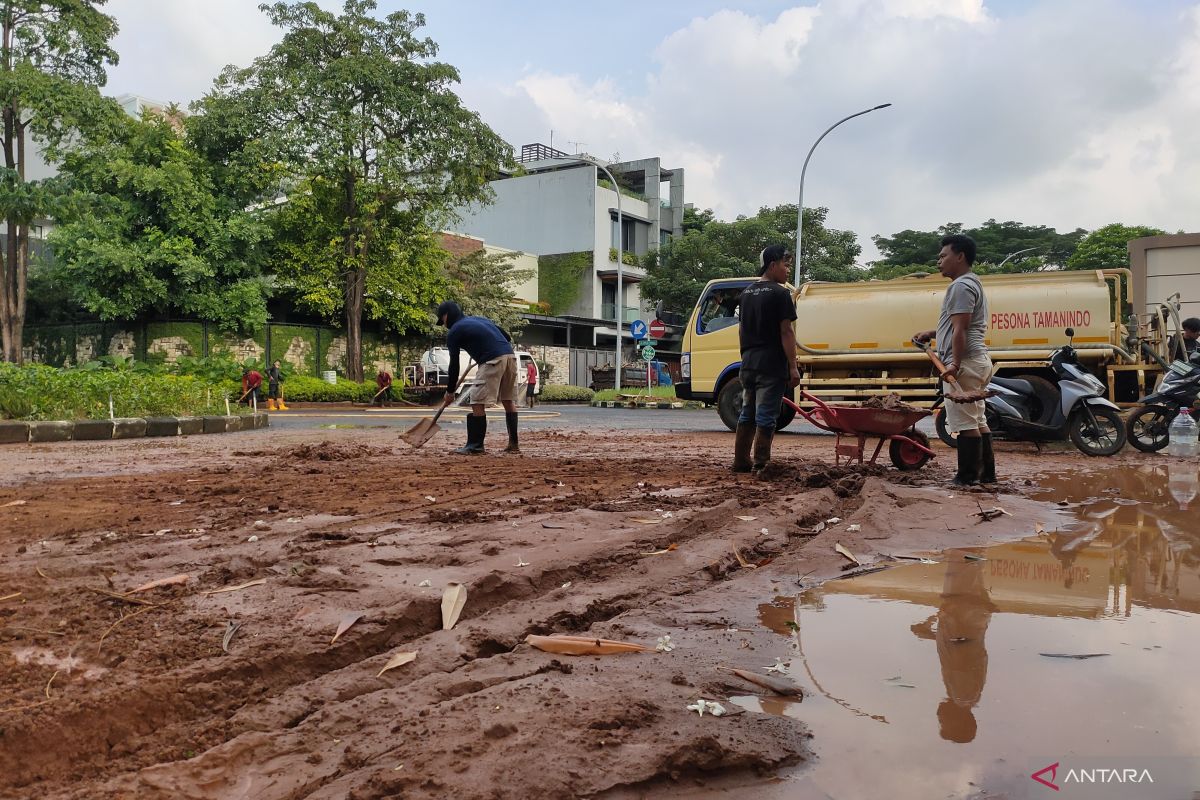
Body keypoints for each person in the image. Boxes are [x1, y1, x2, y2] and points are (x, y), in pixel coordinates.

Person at [915, 234, 993, 486]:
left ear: (960, 256)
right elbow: (958, 325)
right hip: (976, 360)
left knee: (965, 422)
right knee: (977, 420)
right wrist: (931, 333)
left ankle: (967, 477)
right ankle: (986, 475)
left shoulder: (960, 286)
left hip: (965, 363)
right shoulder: (972, 283)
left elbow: (961, 330)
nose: (939, 261)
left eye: (943, 255)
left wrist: (954, 365)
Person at [910, 559, 996, 744]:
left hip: (966, 608)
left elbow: (963, 648)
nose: (940, 720)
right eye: (944, 725)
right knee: (964, 556)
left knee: (968, 558)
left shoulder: (968, 695)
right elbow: (962, 648)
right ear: (957, 721)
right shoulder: (962, 694)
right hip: (963, 606)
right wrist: (950, 613)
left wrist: (932, 634)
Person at [731, 245, 798, 473]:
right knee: (767, 415)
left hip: (748, 363)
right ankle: (761, 463)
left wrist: (745, 355)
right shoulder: (781, 294)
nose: (787, 270)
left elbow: (741, 331)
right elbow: (786, 332)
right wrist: (793, 367)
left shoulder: (746, 294)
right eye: (785, 265)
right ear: (772, 265)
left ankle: (741, 460)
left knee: (747, 411)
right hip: (771, 364)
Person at [437, 300, 520, 455]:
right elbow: (507, 337)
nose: (443, 323)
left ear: (446, 315)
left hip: (492, 360)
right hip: (510, 357)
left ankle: (475, 446)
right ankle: (514, 445)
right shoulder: (480, 319)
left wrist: (449, 392)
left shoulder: (454, 331)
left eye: (442, 320)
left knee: (476, 400)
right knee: (508, 400)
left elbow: (453, 364)